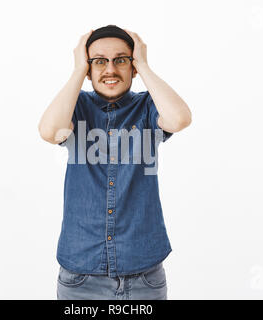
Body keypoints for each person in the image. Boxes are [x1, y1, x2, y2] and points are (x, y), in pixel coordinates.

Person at [38, 25, 192, 300]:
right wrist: (77, 72)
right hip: (80, 277)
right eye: (99, 61)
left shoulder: (147, 107)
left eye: (121, 60)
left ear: (132, 66)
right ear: (88, 68)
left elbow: (180, 118)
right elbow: (50, 132)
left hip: (144, 274)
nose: (110, 69)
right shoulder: (76, 106)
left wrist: (143, 64)